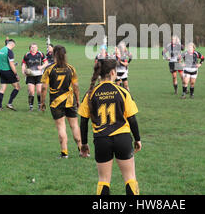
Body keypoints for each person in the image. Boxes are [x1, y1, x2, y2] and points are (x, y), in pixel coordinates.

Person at [79, 59, 142, 195]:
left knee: (103, 180)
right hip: (123, 138)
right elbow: (132, 119)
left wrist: (84, 143)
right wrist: (137, 139)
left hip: (101, 140)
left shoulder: (90, 94)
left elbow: (83, 122)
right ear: (113, 72)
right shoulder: (122, 92)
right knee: (130, 178)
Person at [40, 45, 83, 159]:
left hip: (56, 102)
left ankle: (64, 153)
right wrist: (78, 100)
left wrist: (42, 102)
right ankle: (82, 150)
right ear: (65, 55)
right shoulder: (71, 68)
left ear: (53, 54)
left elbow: (44, 88)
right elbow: (76, 86)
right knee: (74, 125)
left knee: (61, 127)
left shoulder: (49, 69)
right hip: (70, 101)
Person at [22, 43, 48, 111]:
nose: (34, 48)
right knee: (31, 91)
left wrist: (41, 67)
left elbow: (46, 63)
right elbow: (23, 64)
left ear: (37, 48)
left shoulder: (40, 54)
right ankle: (31, 107)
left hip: (39, 75)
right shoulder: (27, 55)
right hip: (30, 75)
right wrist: (23, 71)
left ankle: (40, 105)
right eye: (32, 47)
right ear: (30, 48)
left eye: (35, 47)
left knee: (39, 91)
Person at [0, 39, 20, 111]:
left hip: (1, 71)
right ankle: (9, 103)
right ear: (12, 44)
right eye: (14, 46)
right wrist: (16, 74)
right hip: (8, 72)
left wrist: (14, 64)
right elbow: (11, 65)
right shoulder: (9, 52)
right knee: (17, 87)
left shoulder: (1, 50)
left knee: (2, 89)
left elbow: (5, 62)